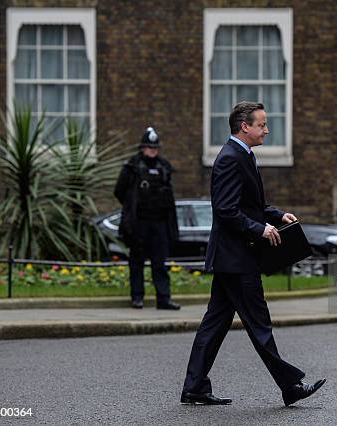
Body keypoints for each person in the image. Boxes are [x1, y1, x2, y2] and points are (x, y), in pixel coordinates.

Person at [180, 102, 325, 406]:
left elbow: (248, 205)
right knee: (259, 324)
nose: (266, 130)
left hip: (231, 258)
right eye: (261, 124)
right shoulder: (231, 158)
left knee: (214, 324)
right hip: (237, 259)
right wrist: (259, 229)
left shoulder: (241, 155)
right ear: (244, 126)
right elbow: (225, 210)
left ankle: (194, 387)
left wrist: (276, 215)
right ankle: (290, 386)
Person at [114, 127, 181, 310]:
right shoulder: (132, 166)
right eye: (149, 147)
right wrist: (131, 207)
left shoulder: (164, 167)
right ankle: (137, 297)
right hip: (139, 223)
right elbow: (119, 191)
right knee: (136, 262)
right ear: (142, 148)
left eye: (155, 147)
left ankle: (164, 298)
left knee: (160, 263)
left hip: (159, 223)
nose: (153, 150)